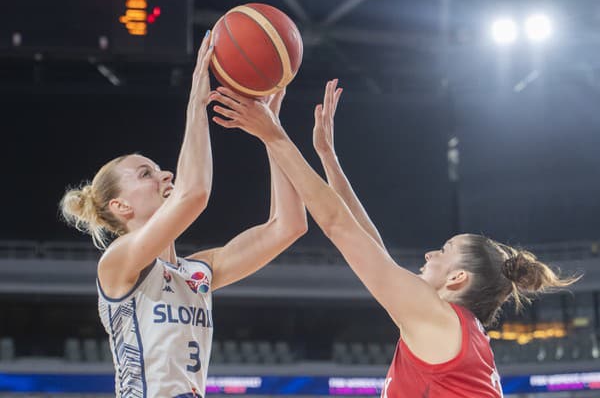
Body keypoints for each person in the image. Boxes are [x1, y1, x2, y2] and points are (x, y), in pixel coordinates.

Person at [209, 79, 580, 398]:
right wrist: (328, 157)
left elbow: (339, 227)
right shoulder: (450, 324)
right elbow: (372, 248)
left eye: (445, 251)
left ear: (457, 278)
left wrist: (274, 134)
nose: (431, 253)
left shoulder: (439, 318)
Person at [59, 31, 307, 398]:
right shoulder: (118, 263)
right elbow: (195, 194)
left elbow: (289, 226)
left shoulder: (196, 273)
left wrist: (274, 133)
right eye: (146, 173)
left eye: (159, 168)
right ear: (120, 207)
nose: (165, 174)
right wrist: (197, 100)